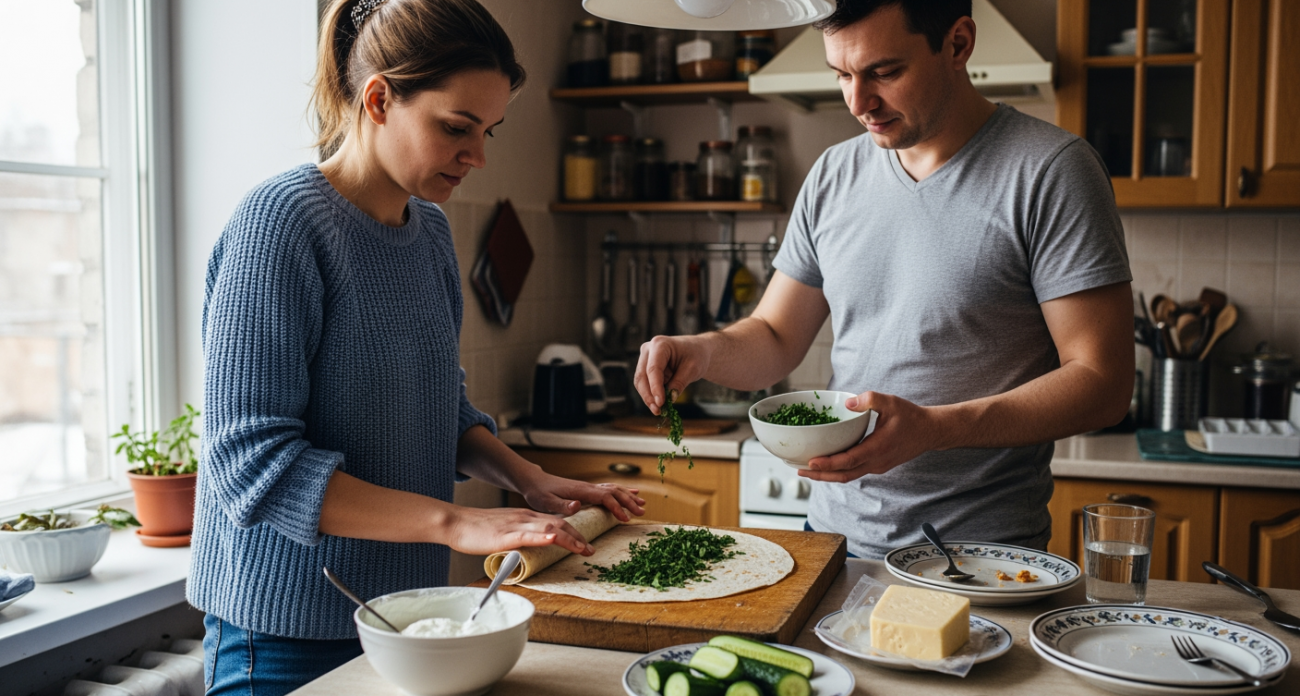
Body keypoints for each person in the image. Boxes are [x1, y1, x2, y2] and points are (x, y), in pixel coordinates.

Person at [189, 1, 645, 694]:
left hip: (413, 621)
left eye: (488, 130)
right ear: (378, 100)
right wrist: (455, 522)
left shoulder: (428, 231)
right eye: (456, 128)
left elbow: (438, 407)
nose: (479, 156)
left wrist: (528, 479)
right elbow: (251, 462)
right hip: (284, 634)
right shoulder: (279, 224)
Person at [635, 0, 1134, 560]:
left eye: (884, 72)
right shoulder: (832, 174)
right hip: (831, 544)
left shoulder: (1051, 170)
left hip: (981, 558)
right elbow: (775, 338)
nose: (858, 102)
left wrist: (937, 428)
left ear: (958, 44)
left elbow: (1103, 383)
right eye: (842, 75)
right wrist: (700, 352)